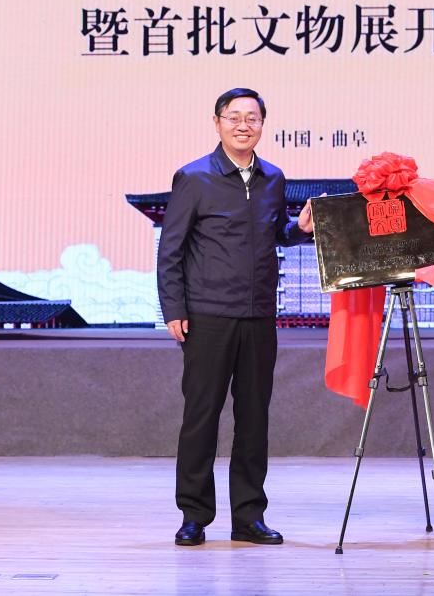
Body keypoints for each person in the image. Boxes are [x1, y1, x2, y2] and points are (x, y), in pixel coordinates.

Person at [157, 88, 314, 547]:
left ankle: (249, 516)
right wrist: (174, 309)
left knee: (254, 420)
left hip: (259, 315)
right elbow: (171, 249)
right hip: (207, 316)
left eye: (253, 118)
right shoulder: (194, 177)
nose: (243, 125)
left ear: (263, 124)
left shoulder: (273, 178)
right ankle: (194, 516)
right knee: (201, 417)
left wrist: (300, 230)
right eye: (234, 117)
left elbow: (274, 233)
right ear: (217, 122)